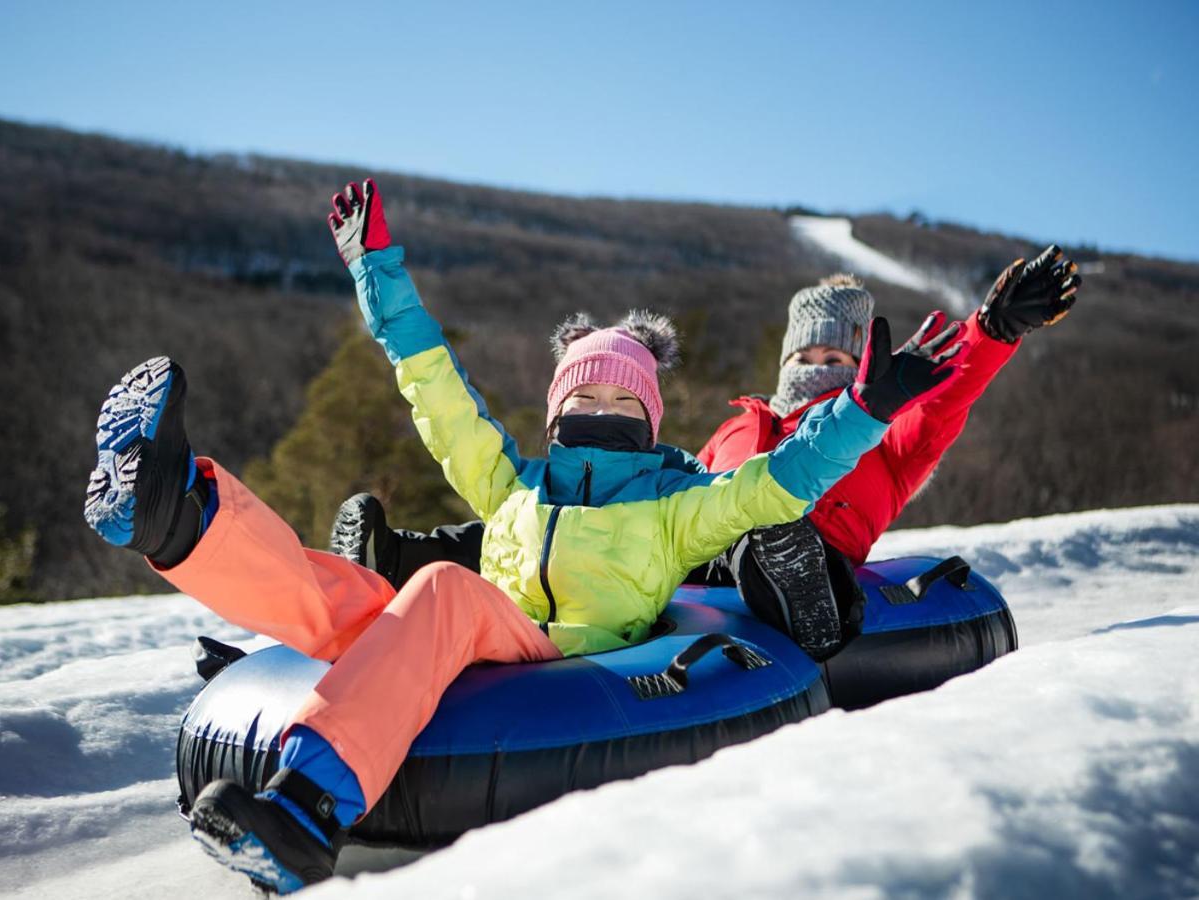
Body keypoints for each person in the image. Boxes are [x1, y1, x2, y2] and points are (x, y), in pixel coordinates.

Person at [82, 178, 964, 893]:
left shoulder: (673, 500)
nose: (601, 408)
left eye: (624, 400)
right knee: (342, 594)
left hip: (564, 658)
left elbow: (782, 481)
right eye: (583, 396)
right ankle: (177, 514)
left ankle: (309, 805)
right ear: (555, 410)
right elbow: (436, 390)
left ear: (652, 420)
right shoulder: (515, 482)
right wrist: (376, 270)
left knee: (442, 592)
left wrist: (863, 411)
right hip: (472, 640)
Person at [332, 252, 1080, 660]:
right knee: (556, 523)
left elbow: (952, 394)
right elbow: (680, 484)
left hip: (794, 546)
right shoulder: (742, 424)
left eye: (835, 352)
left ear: (860, 361)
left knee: (770, 537)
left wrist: (993, 327)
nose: (819, 361)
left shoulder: (888, 429)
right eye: (808, 348)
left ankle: (814, 612)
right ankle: (391, 556)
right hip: (687, 542)